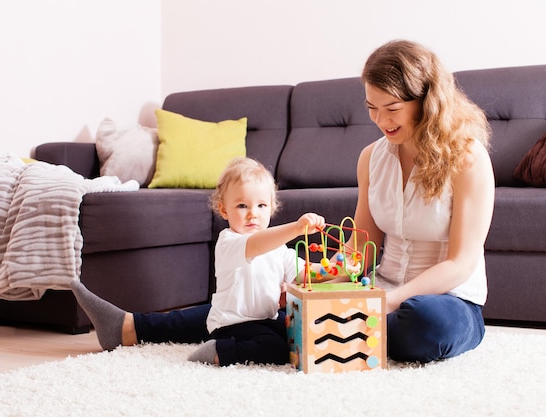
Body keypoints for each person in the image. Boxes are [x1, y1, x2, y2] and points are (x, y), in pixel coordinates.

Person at [71, 39, 494, 364]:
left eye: (393, 109)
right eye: (371, 107)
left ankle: (331, 327)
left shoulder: (468, 158)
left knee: (425, 323)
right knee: (263, 303)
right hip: (376, 294)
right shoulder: (372, 158)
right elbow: (362, 246)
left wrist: (386, 300)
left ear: (426, 101)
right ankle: (132, 327)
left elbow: (460, 262)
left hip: (449, 302)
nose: (381, 121)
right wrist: (313, 284)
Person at [73, 157, 331, 366]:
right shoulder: (231, 241)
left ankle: (131, 328)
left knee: (292, 337)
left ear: (272, 207)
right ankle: (220, 352)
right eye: (242, 206)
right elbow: (256, 245)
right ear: (224, 209)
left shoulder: (279, 249)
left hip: (262, 319)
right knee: (276, 349)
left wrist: (337, 269)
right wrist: (296, 228)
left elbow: (306, 271)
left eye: (262, 205)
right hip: (233, 324)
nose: (253, 214)